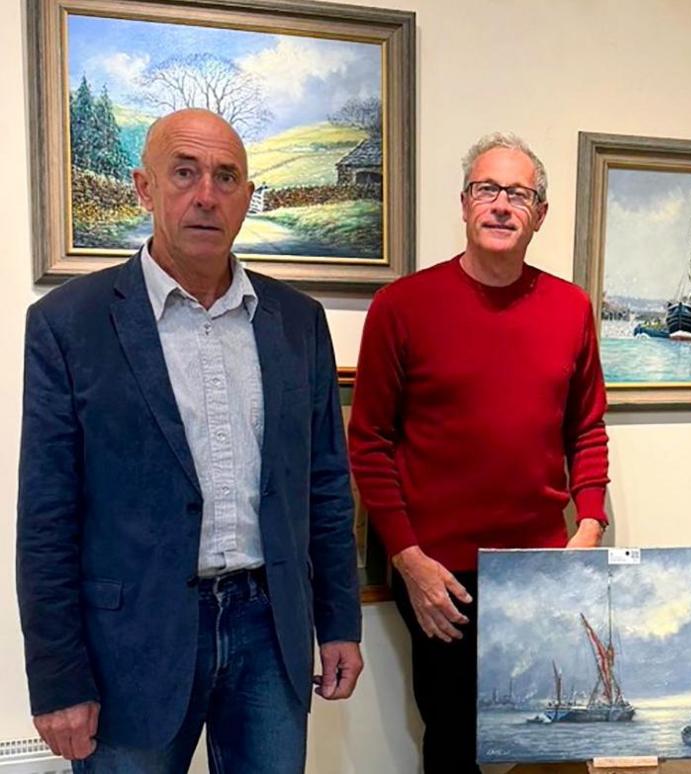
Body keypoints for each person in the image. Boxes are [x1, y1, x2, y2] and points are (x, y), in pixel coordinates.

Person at [16, 108, 363, 772]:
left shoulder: (297, 322)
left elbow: (325, 484)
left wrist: (339, 621)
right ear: (144, 188)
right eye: (185, 172)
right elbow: (46, 518)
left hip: (269, 631)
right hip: (130, 645)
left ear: (247, 198)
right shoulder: (68, 326)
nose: (206, 194)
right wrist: (58, 678)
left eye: (226, 176)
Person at [348, 132, 610, 773]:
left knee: (554, 747)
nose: (500, 205)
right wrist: (409, 562)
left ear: (539, 214)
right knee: (454, 748)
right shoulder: (401, 307)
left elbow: (588, 430)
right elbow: (370, 443)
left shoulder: (571, 309)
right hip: (442, 579)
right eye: (487, 190)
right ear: (464, 203)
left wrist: (592, 523)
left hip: (541, 568)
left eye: (517, 194)